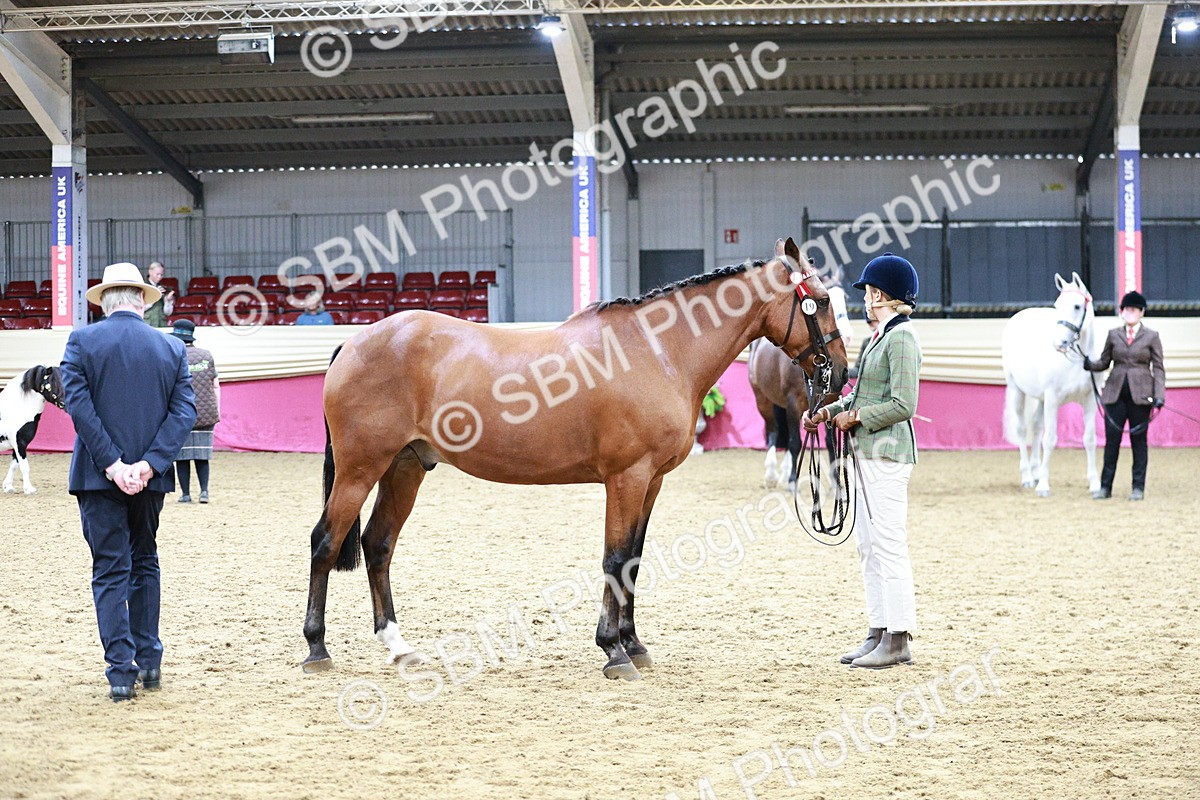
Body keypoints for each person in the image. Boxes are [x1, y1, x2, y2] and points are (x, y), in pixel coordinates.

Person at [60, 262, 196, 702]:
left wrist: (113, 465)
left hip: (98, 478)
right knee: (145, 562)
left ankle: (121, 671)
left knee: (110, 569)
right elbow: (184, 413)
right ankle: (150, 659)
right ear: (141, 300)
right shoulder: (172, 348)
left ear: (104, 302)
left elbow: (80, 409)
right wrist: (149, 464)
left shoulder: (81, 341)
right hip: (150, 479)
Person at [802, 253, 922, 669]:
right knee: (868, 546)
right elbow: (864, 393)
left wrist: (858, 417)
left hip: (888, 453)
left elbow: (904, 403)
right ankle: (878, 630)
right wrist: (829, 411)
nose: (867, 300)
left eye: (872, 294)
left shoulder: (902, 338)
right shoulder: (879, 337)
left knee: (889, 546)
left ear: (887, 297)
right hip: (867, 453)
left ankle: (899, 637)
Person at [1083, 290, 1165, 501]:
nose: (1130, 312)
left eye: (1134, 309)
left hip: (1141, 395)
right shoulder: (1113, 334)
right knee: (1112, 442)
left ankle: (1138, 487)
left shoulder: (1151, 336)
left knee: (1139, 442)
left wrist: (1159, 395)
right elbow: (1104, 362)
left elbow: (1158, 368)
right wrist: (1089, 364)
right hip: (1115, 394)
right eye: (1127, 309)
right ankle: (1105, 487)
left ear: (1141, 312)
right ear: (1122, 312)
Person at [169, 320, 220, 503]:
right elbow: (215, 386)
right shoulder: (206, 356)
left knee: (182, 456)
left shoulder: (174, 356)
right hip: (206, 414)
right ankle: (204, 492)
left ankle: (185, 494)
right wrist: (216, 410)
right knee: (201, 454)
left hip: (181, 414)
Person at [142, 262, 175, 327]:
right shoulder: (143, 287)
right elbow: (139, 307)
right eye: (157, 274)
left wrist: (168, 301)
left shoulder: (164, 288)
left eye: (161, 275)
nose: (159, 277)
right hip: (147, 324)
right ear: (150, 272)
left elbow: (168, 313)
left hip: (161, 324)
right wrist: (155, 294)